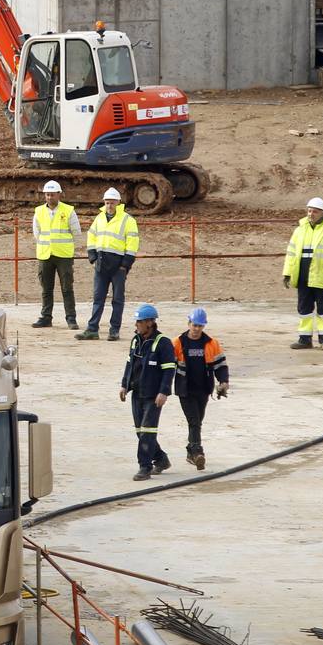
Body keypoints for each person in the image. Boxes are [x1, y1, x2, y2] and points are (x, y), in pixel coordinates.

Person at [118, 303, 174, 481]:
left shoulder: (163, 343)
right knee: (140, 431)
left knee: (147, 431)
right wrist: (124, 385)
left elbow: (169, 369)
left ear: (150, 323)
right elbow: (130, 364)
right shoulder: (136, 340)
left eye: (139, 322)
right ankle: (161, 459)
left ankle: (145, 466)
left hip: (153, 395)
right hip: (137, 393)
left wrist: (164, 392)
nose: (136, 325)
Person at [282, 196, 323, 350]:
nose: (311, 214)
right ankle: (304, 339)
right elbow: (291, 254)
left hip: (322, 278)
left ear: (322, 213)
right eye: (309, 211)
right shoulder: (299, 230)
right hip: (303, 277)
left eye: (315, 211)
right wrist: (287, 273)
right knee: (304, 309)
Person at [77, 187, 138, 341]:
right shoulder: (99, 218)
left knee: (117, 299)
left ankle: (114, 330)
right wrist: (93, 258)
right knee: (98, 298)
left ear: (118, 202)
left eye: (112, 202)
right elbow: (91, 237)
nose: (109, 205)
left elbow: (132, 242)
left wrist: (126, 264)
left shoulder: (127, 220)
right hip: (101, 263)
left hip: (118, 265)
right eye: (107, 202)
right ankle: (92, 329)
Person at [173, 307, 229, 471]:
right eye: (194, 325)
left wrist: (223, 381)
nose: (197, 329)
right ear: (188, 323)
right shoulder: (178, 343)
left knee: (197, 421)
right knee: (194, 421)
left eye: (200, 326)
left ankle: (191, 451)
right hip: (185, 390)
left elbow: (220, 365)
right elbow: (168, 367)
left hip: (203, 389)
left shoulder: (211, 343)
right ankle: (198, 452)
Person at [31, 180, 80, 330]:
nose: (49, 197)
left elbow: (76, 232)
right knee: (46, 288)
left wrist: (65, 247)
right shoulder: (38, 211)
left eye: (52, 194)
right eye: (47, 194)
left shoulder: (68, 211)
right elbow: (37, 232)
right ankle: (46, 317)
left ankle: (71, 318)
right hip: (45, 255)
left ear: (59, 194)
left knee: (67, 288)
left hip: (63, 256)